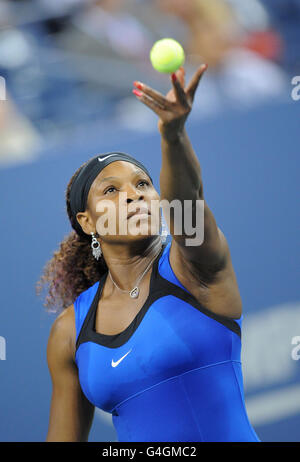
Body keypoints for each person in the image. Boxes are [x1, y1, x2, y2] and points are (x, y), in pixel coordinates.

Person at [38, 64, 260, 442]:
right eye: (110, 191)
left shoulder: (194, 265)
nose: (134, 194)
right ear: (87, 222)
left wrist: (172, 136)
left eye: (143, 184)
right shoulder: (69, 332)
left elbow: (188, 203)